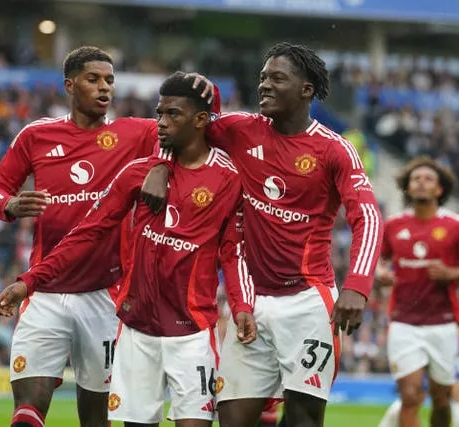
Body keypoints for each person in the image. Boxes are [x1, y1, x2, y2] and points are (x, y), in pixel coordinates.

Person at [0, 71, 256, 426]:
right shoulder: (137, 173)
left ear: (200, 120)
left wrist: (241, 306)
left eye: (171, 115)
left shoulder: (228, 178)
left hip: (191, 332)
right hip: (135, 331)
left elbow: (233, 250)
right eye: (159, 113)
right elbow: (87, 232)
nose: (160, 123)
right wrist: (30, 281)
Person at [142, 42, 384, 427]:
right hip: (251, 304)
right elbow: (182, 124)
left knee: (304, 418)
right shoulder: (240, 130)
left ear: (306, 90)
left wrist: (356, 285)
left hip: (307, 304)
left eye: (277, 78)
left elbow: (368, 217)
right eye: (262, 78)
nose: (264, 86)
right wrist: (160, 164)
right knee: (231, 419)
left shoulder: (334, 150)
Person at [375, 156, 459, 427]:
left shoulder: (456, 226)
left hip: (443, 324)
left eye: (428, 179)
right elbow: (379, 261)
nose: (421, 183)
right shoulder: (393, 225)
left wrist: (451, 273)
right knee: (410, 395)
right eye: (416, 179)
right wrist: (380, 274)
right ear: (408, 188)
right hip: (403, 323)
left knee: (441, 399)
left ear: (439, 189)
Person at [377, 317, 459, 427]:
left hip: (444, 345)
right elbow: (457, 312)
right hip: (420, 341)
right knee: (413, 398)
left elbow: (455, 310)